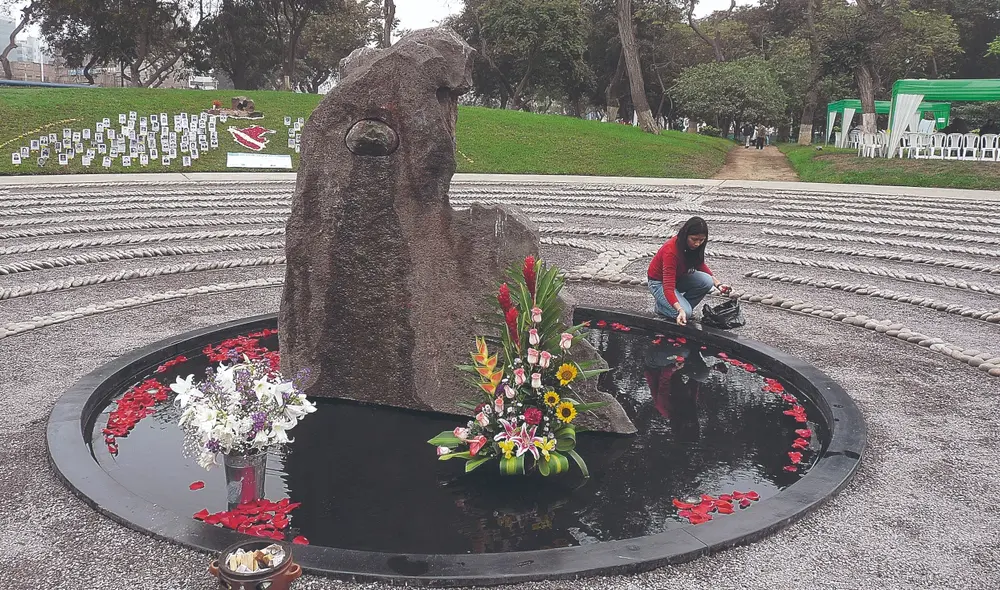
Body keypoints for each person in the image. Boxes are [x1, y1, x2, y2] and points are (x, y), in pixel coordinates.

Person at [647, 216, 730, 326]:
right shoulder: (671, 251)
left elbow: (699, 264)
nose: (697, 244)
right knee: (686, 313)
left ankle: (674, 307)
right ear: (686, 235)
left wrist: (719, 284)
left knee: (707, 281)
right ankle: (662, 308)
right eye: (694, 239)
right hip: (658, 282)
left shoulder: (693, 247)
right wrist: (680, 309)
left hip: (678, 278)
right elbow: (668, 286)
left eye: (701, 240)